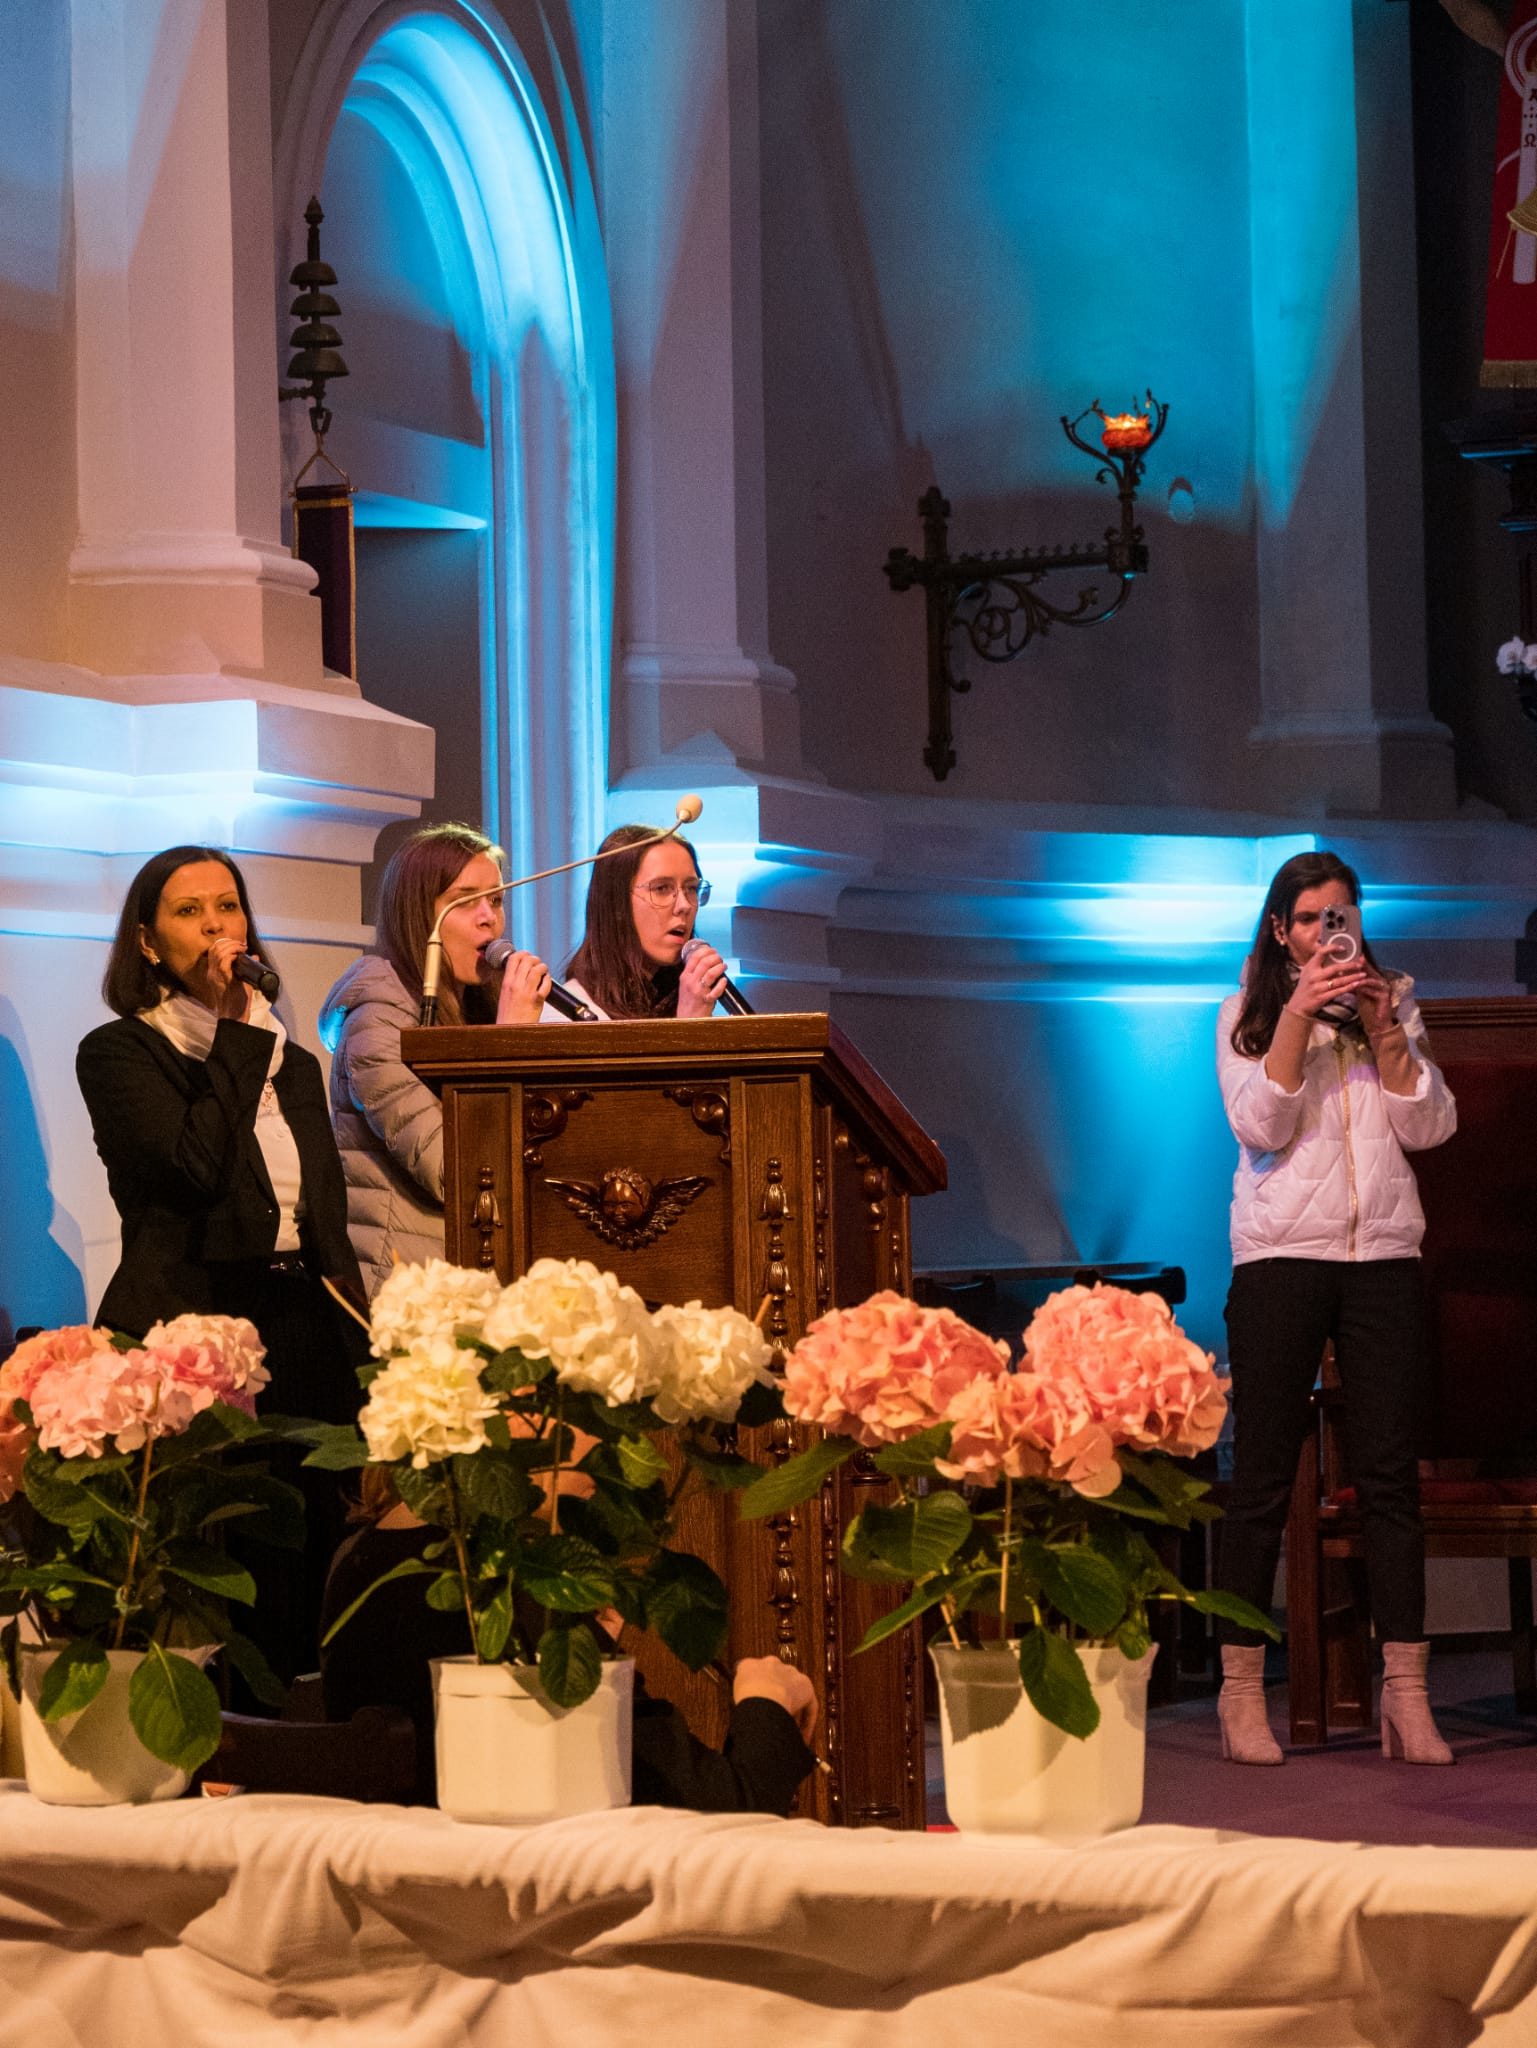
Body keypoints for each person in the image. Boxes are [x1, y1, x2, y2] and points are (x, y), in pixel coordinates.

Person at [76, 844, 367, 1682]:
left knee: (306, 1569)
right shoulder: (123, 1053)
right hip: (189, 1332)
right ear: (146, 943)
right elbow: (194, 1169)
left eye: (229, 906)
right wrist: (238, 1040)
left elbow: (327, 1226)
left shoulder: (294, 1062)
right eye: (190, 911)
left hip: (301, 1330)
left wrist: (364, 1355)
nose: (215, 925)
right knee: (219, 1578)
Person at [1214, 851, 1458, 1766]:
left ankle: (1407, 1696)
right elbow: (1260, 1127)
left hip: (1383, 1258)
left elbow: (1429, 1128)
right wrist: (1295, 1016)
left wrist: (1386, 1032)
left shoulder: (1387, 1001)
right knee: (1263, 1480)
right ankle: (1243, 1694)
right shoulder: (1242, 1015)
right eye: (1312, 918)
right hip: (1281, 1260)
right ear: (1281, 929)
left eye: (1342, 915)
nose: (1330, 932)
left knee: (1391, 1480)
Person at [320, 1469, 819, 1812]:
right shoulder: (524, 1583)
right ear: (528, 1410)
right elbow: (722, 1808)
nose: (612, 1457)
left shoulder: (356, 1555)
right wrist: (766, 1701)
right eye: (596, 1413)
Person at [320, 825, 552, 1295]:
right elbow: (458, 1174)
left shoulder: (475, 1008)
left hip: (472, 1279)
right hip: (406, 1291)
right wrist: (510, 1044)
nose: (489, 919)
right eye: (466, 901)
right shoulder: (377, 1023)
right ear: (418, 916)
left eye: (497, 900)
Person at [559, 823, 730, 1019]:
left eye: (691, 888)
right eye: (661, 888)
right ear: (616, 904)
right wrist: (688, 1024)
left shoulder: (684, 1000)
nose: (684, 905)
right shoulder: (570, 1015)